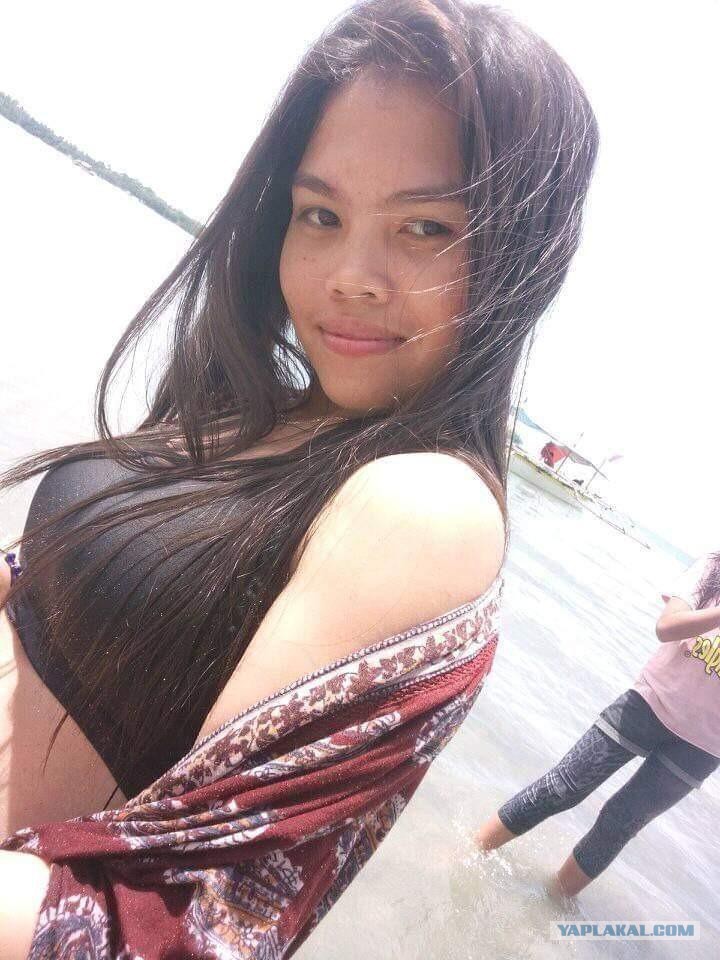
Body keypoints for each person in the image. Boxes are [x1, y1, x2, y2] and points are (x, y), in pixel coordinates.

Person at [0, 0, 598, 955]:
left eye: (426, 227)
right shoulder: (267, 411)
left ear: (523, 257)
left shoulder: (426, 506)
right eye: (320, 214)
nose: (350, 273)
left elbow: (186, 926)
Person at [475, 552, 720, 897]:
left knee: (620, 823)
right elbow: (667, 627)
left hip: (704, 745)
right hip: (648, 704)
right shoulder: (713, 567)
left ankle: (550, 905)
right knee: (563, 786)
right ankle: (471, 850)